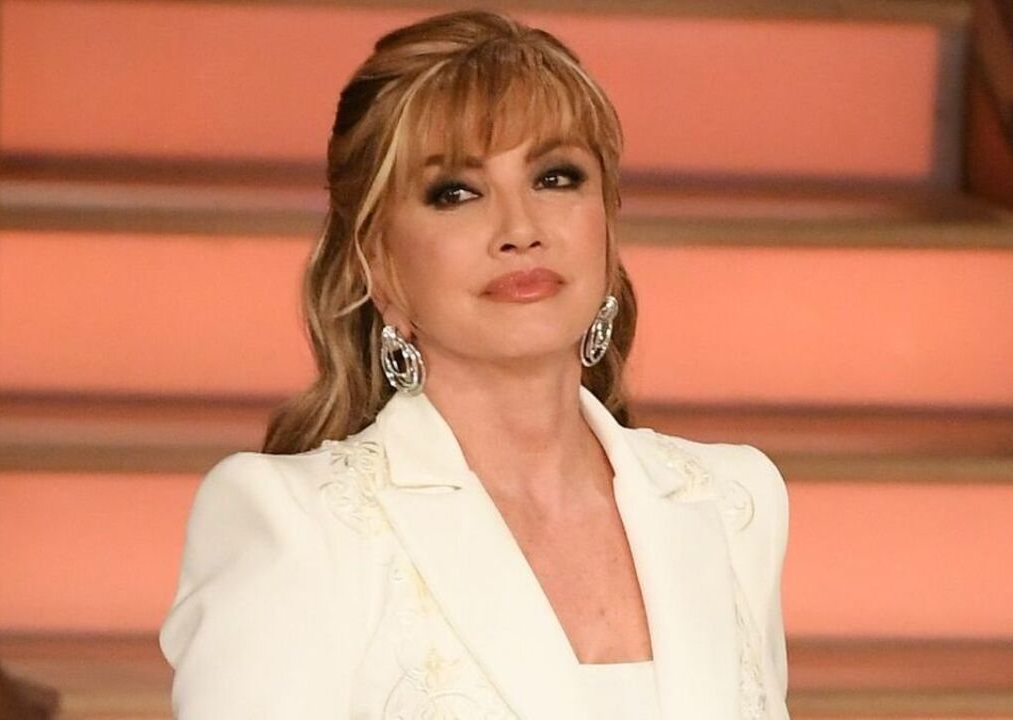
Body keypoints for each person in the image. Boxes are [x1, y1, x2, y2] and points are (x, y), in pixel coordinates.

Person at [159, 9, 789, 719]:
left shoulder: (735, 501)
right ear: (379, 263)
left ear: (608, 223)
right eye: (455, 193)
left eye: (555, 178)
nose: (520, 230)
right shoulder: (296, 525)